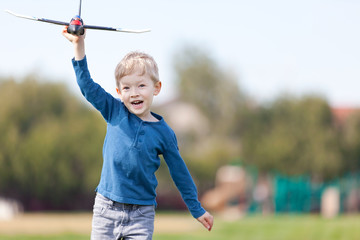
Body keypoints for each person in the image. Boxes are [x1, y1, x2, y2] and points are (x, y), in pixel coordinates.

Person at [62, 27, 214, 240]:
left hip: (141, 215)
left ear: (156, 88)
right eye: (126, 88)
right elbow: (86, 85)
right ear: (119, 92)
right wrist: (79, 45)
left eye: (141, 85)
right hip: (106, 209)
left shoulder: (164, 133)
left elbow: (180, 173)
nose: (134, 93)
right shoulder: (114, 110)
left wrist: (196, 208)